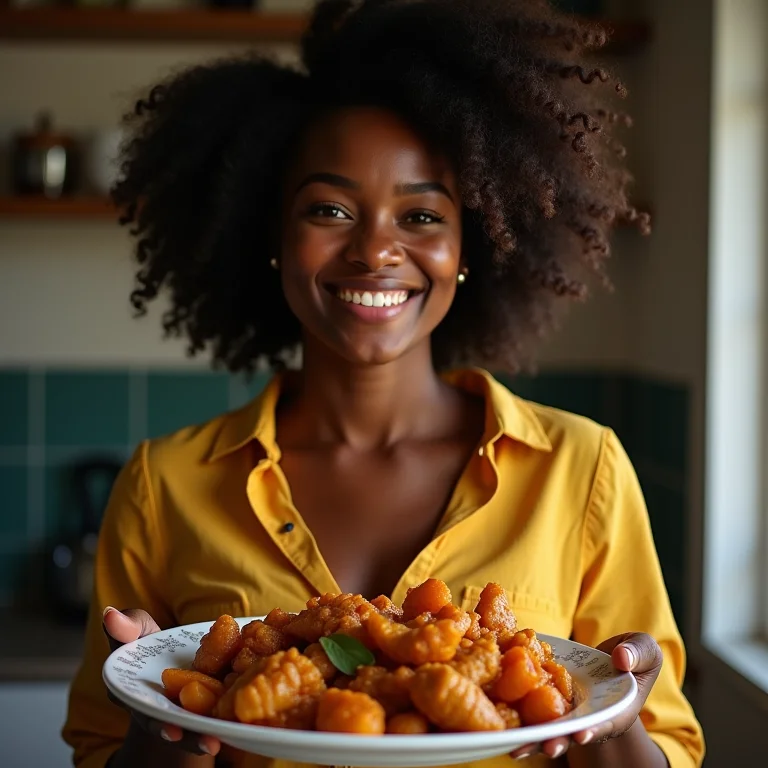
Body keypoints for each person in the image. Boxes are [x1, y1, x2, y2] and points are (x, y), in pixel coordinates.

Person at [62, 1, 704, 766]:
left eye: (422, 215)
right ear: (271, 237)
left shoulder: (583, 467)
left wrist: (620, 712)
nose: (375, 251)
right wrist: (161, 725)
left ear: (472, 244)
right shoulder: (163, 485)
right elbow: (104, 753)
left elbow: (664, 748)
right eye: (330, 209)